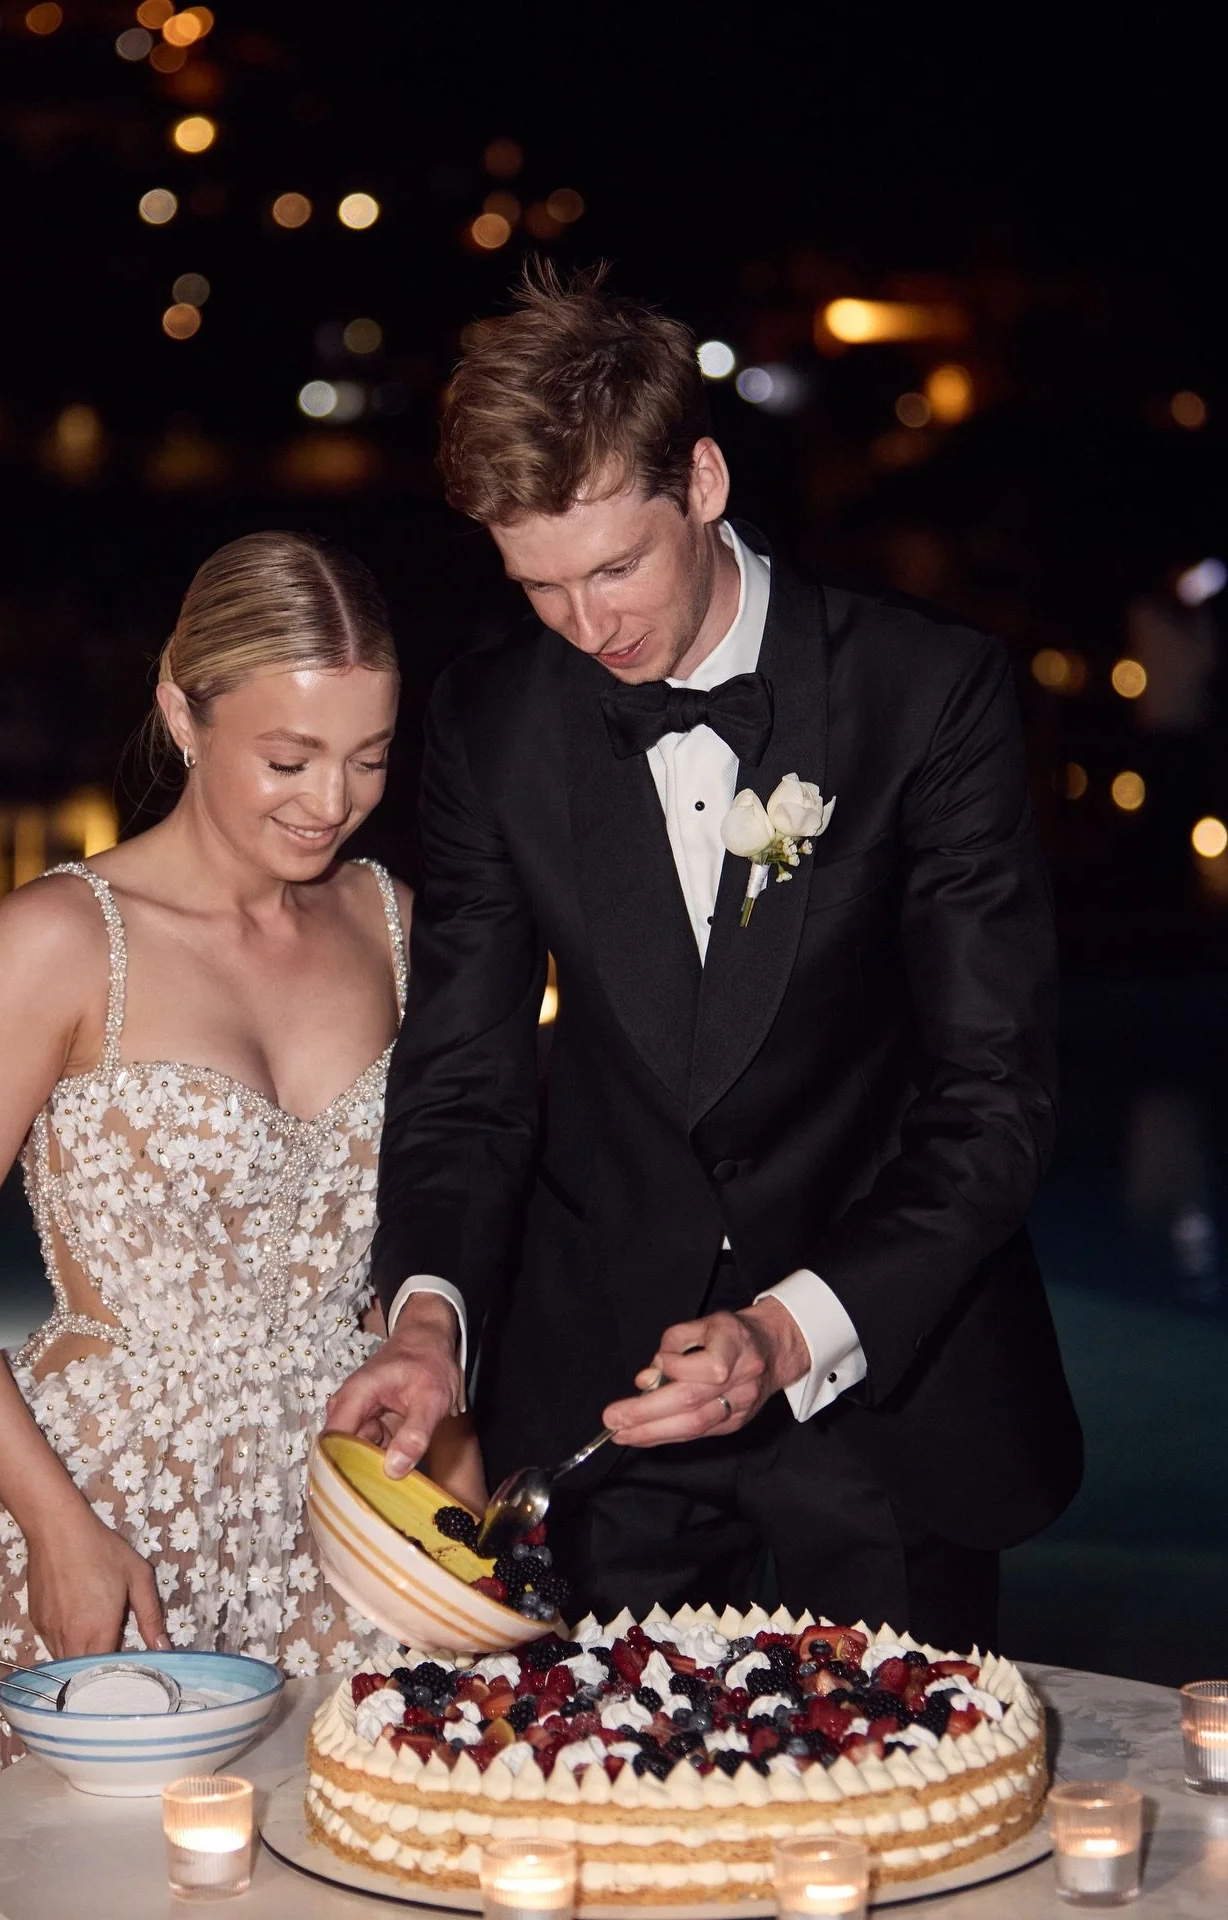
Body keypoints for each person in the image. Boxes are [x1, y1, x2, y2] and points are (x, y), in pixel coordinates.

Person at [327, 268, 1083, 1655]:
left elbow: (995, 1098)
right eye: (539, 584)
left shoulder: (930, 691)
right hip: (602, 1434)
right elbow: (466, 1084)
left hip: (881, 1411)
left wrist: (790, 1333)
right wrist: (428, 1318)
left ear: (706, 478)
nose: (590, 625)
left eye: (619, 565)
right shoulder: (494, 721)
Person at [0, 531, 470, 1773]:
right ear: (180, 712)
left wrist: (458, 1486)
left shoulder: (394, 923)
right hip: (116, 1495)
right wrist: (55, 1524)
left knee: (368, 1864)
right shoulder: (60, 938)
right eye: (289, 758)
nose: (330, 802)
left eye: (367, 759)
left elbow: (431, 1234)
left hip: (351, 1487)